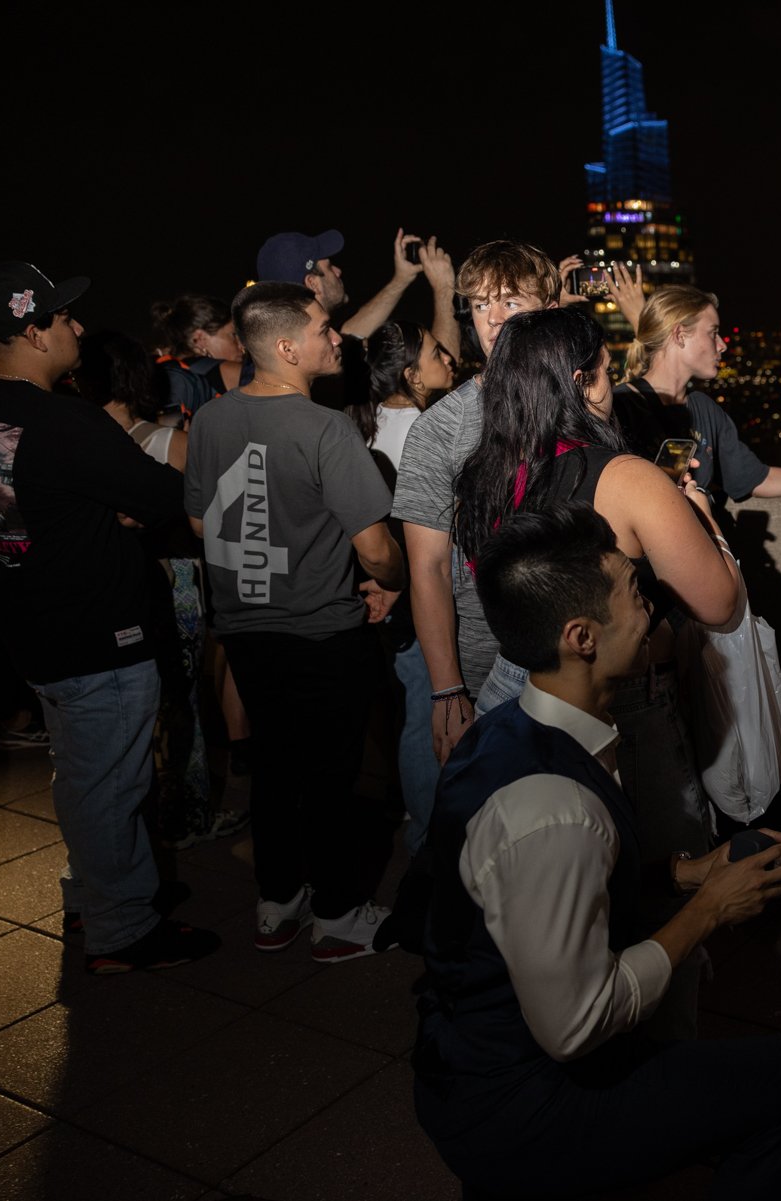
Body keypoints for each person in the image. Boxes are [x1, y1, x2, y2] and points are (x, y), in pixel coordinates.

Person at [411, 503, 781, 1199]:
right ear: (581, 636)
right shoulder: (554, 809)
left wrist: (687, 873)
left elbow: (527, 902)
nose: (650, 607)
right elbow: (578, 1022)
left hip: (465, 1063)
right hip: (521, 1105)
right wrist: (707, 912)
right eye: (635, 594)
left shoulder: (508, 729)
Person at [454, 306, 742, 1036]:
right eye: (609, 370)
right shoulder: (626, 479)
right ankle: (661, 1064)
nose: (614, 382)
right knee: (652, 888)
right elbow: (720, 602)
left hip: (522, 695)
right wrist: (691, 514)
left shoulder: (484, 478)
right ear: (581, 383)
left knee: (558, 898)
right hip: (624, 708)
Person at [0, 260, 220, 974]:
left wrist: (102, 504)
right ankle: (122, 929)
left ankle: (98, 889)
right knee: (113, 781)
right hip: (100, 629)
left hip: (34, 626)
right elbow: (167, 492)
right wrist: (122, 503)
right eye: (61, 317)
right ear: (29, 332)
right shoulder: (64, 419)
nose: (75, 327)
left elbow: (41, 498)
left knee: (81, 772)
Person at [184, 281, 407, 963]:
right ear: (286, 346)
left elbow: (199, 519)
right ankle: (337, 917)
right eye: (322, 328)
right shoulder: (325, 428)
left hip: (247, 631)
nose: (335, 336)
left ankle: (277, 902)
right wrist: (392, 579)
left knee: (276, 767)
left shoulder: (214, 419)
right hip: (321, 631)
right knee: (331, 777)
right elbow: (375, 548)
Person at [391, 240, 569, 765]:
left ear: (549, 311)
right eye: (480, 304)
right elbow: (427, 567)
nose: (493, 319)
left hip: (589, 651)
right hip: (489, 660)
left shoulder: (586, 407)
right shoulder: (440, 428)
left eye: (510, 301)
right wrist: (447, 691)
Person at [78, 329, 248, 850]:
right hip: (174, 579)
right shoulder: (170, 441)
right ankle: (188, 813)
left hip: (102, 584)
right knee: (181, 698)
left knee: (129, 705)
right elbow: (215, 514)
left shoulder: (75, 439)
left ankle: (135, 817)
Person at [351, 320, 458, 854]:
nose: (450, 359)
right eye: (439, 353)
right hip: (417, 587)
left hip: (386, 586)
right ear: (413, 373)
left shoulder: (365, 423)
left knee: (410, 709)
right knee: (428, 712)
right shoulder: (427, 429)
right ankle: (429, 842)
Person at [611, 283, 781, 505]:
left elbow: (755, 479)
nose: (722, 345)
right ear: (680, 335)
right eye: (713, 333)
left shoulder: (705, 409)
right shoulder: (621, 406)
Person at [255, 227, 461, 355]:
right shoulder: (322, 359)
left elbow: (350, 333)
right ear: (313, 283)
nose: (338, 270)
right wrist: (445, 287)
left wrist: (401, 279)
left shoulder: (291, 350)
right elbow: (442, 375)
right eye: (329, 266)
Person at [150, 294, 244, 424]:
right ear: (200, 339)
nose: (241, 345)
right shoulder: (229, 372)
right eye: (233, 335)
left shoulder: (161, 372)